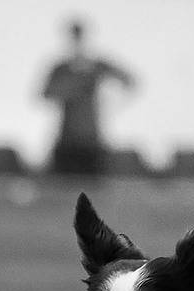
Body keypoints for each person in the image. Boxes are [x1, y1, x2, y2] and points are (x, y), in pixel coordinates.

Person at [40, 19, 135, 176]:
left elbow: (128, 80)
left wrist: (113, 100)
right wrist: (75, 86)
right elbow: (46, 94)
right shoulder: (61, 68)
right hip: (67, 140)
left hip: (92, 141)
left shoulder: (97, 65)